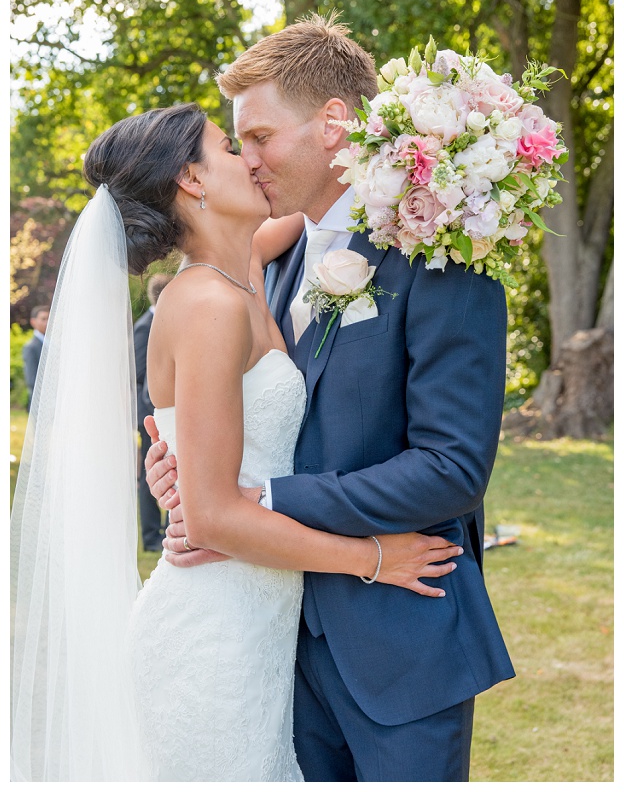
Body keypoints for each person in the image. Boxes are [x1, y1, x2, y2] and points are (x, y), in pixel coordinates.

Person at [10, 98, 460, 782]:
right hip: (210, 635)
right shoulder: (208, 305)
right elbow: (215, 515)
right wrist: (373, 558)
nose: (251, 160)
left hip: (260, 628)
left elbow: (321, 200)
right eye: (230, 148)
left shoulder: (243, 266)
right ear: (191, 181)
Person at [145, 17, 514, 783]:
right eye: (237, 143)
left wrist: (263, 500)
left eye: (259, 137)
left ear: (333, 125)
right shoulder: (264, 264)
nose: (247, 162)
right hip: (275, 646)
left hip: (401, 644)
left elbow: (450, 468)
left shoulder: (441, 256)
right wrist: (181, 476)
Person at [134, 274, 172, 552]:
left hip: (165, 412)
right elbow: (137, 372)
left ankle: (169, 528)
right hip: (149, 413)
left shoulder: (168, 322)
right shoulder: (144, 327)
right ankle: (150, 537)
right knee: (151, 473)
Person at [22, 305, 49, 406]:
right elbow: (31, 380)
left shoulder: (53, 344)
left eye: (49, 318)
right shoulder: (31, 347)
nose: (47, 322)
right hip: (40, 403)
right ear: (33, 322)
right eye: (43, 319)